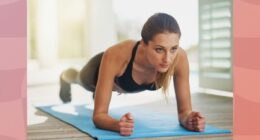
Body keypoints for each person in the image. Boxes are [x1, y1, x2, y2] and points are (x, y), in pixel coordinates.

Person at [59, 13, 205, 136]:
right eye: (159, 49)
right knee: (77, 78)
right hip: (97, 70)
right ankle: (64, 76)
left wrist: (189, 120)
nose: (167, 59)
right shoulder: (117, 55)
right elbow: (99, 116)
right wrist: (116, 125)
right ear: (143, 44)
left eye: (173, 48)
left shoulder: (179, 58)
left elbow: (185, 112)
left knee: (99, 94)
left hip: (116, 83)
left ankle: (100, 94)